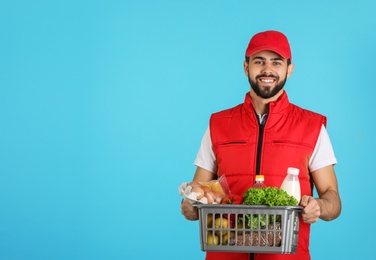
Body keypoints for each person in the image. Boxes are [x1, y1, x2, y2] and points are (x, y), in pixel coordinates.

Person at [180, 30, 342, 260]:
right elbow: (199, 192)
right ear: (246, 67)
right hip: (225, 254)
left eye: (276, 62)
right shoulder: (218, 124)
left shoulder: (312, 127)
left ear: (289, 69)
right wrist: (190, 206)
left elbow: (333, 200)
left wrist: (319, 206)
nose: (267, 70)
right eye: (259, 62)